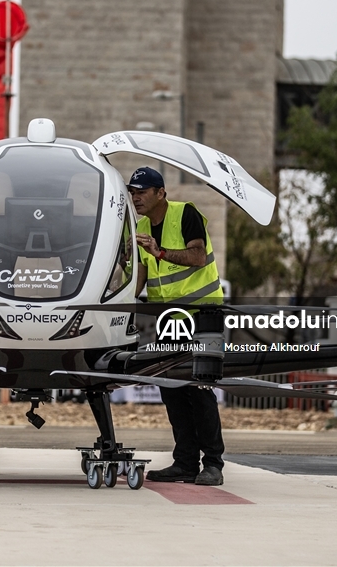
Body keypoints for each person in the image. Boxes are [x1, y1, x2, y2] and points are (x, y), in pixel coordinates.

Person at [128, 166, 225, 486]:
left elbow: (197, 257)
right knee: (171, 389)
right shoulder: (139, 225)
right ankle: (185, 462)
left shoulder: (186, 214)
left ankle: (213, 464)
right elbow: (140, 275)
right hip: (169, 319)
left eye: (142, 191)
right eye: (133, 191)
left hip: (202, 314)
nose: (136, 197)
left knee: (200, 388)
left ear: (161, 193)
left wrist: (161, 251)